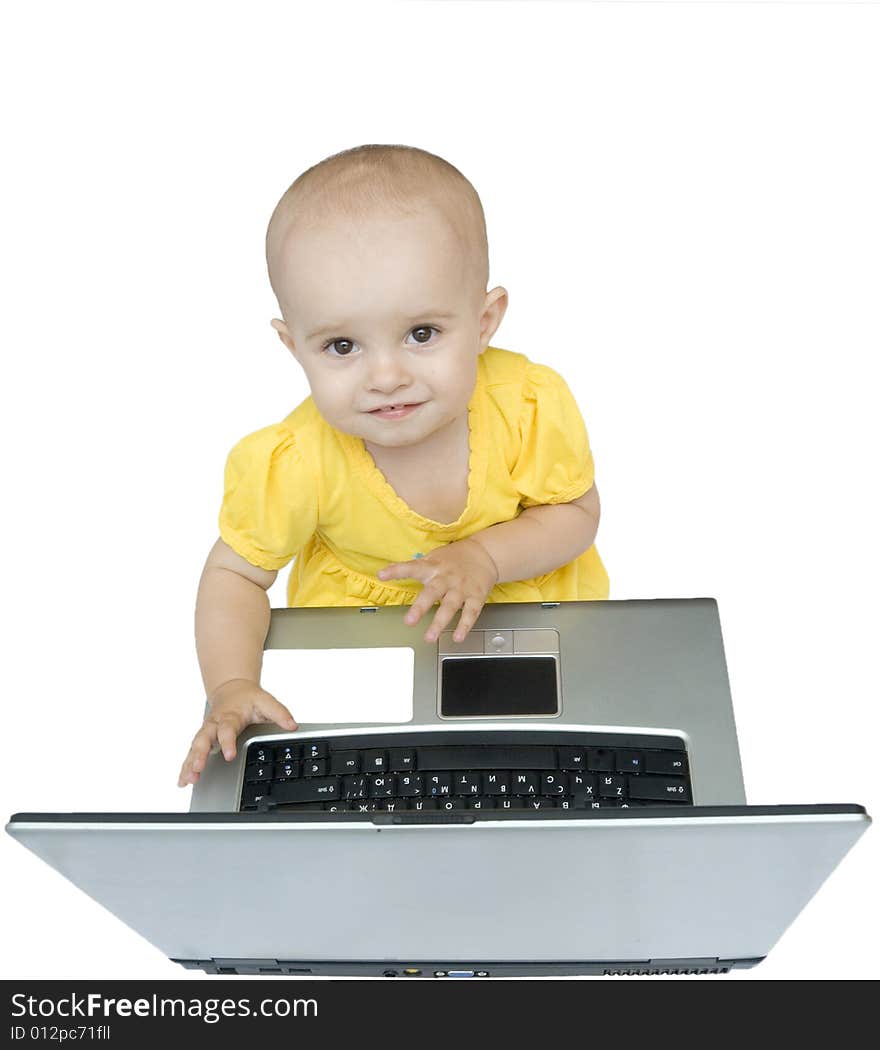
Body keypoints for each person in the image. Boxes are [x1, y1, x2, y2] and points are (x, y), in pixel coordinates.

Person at [178, 144, 609, 787]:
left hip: (523, 615)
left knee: (548, 769)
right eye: (342, 346)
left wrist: (485, 559)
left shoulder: (526, 404)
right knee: (363, 786)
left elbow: (576, 513)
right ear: (294, 346)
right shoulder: (295, 461)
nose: (386, 376)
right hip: (363, 641)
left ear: (484, 321)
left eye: (422, 334)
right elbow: (234, 576)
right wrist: (232, 683)